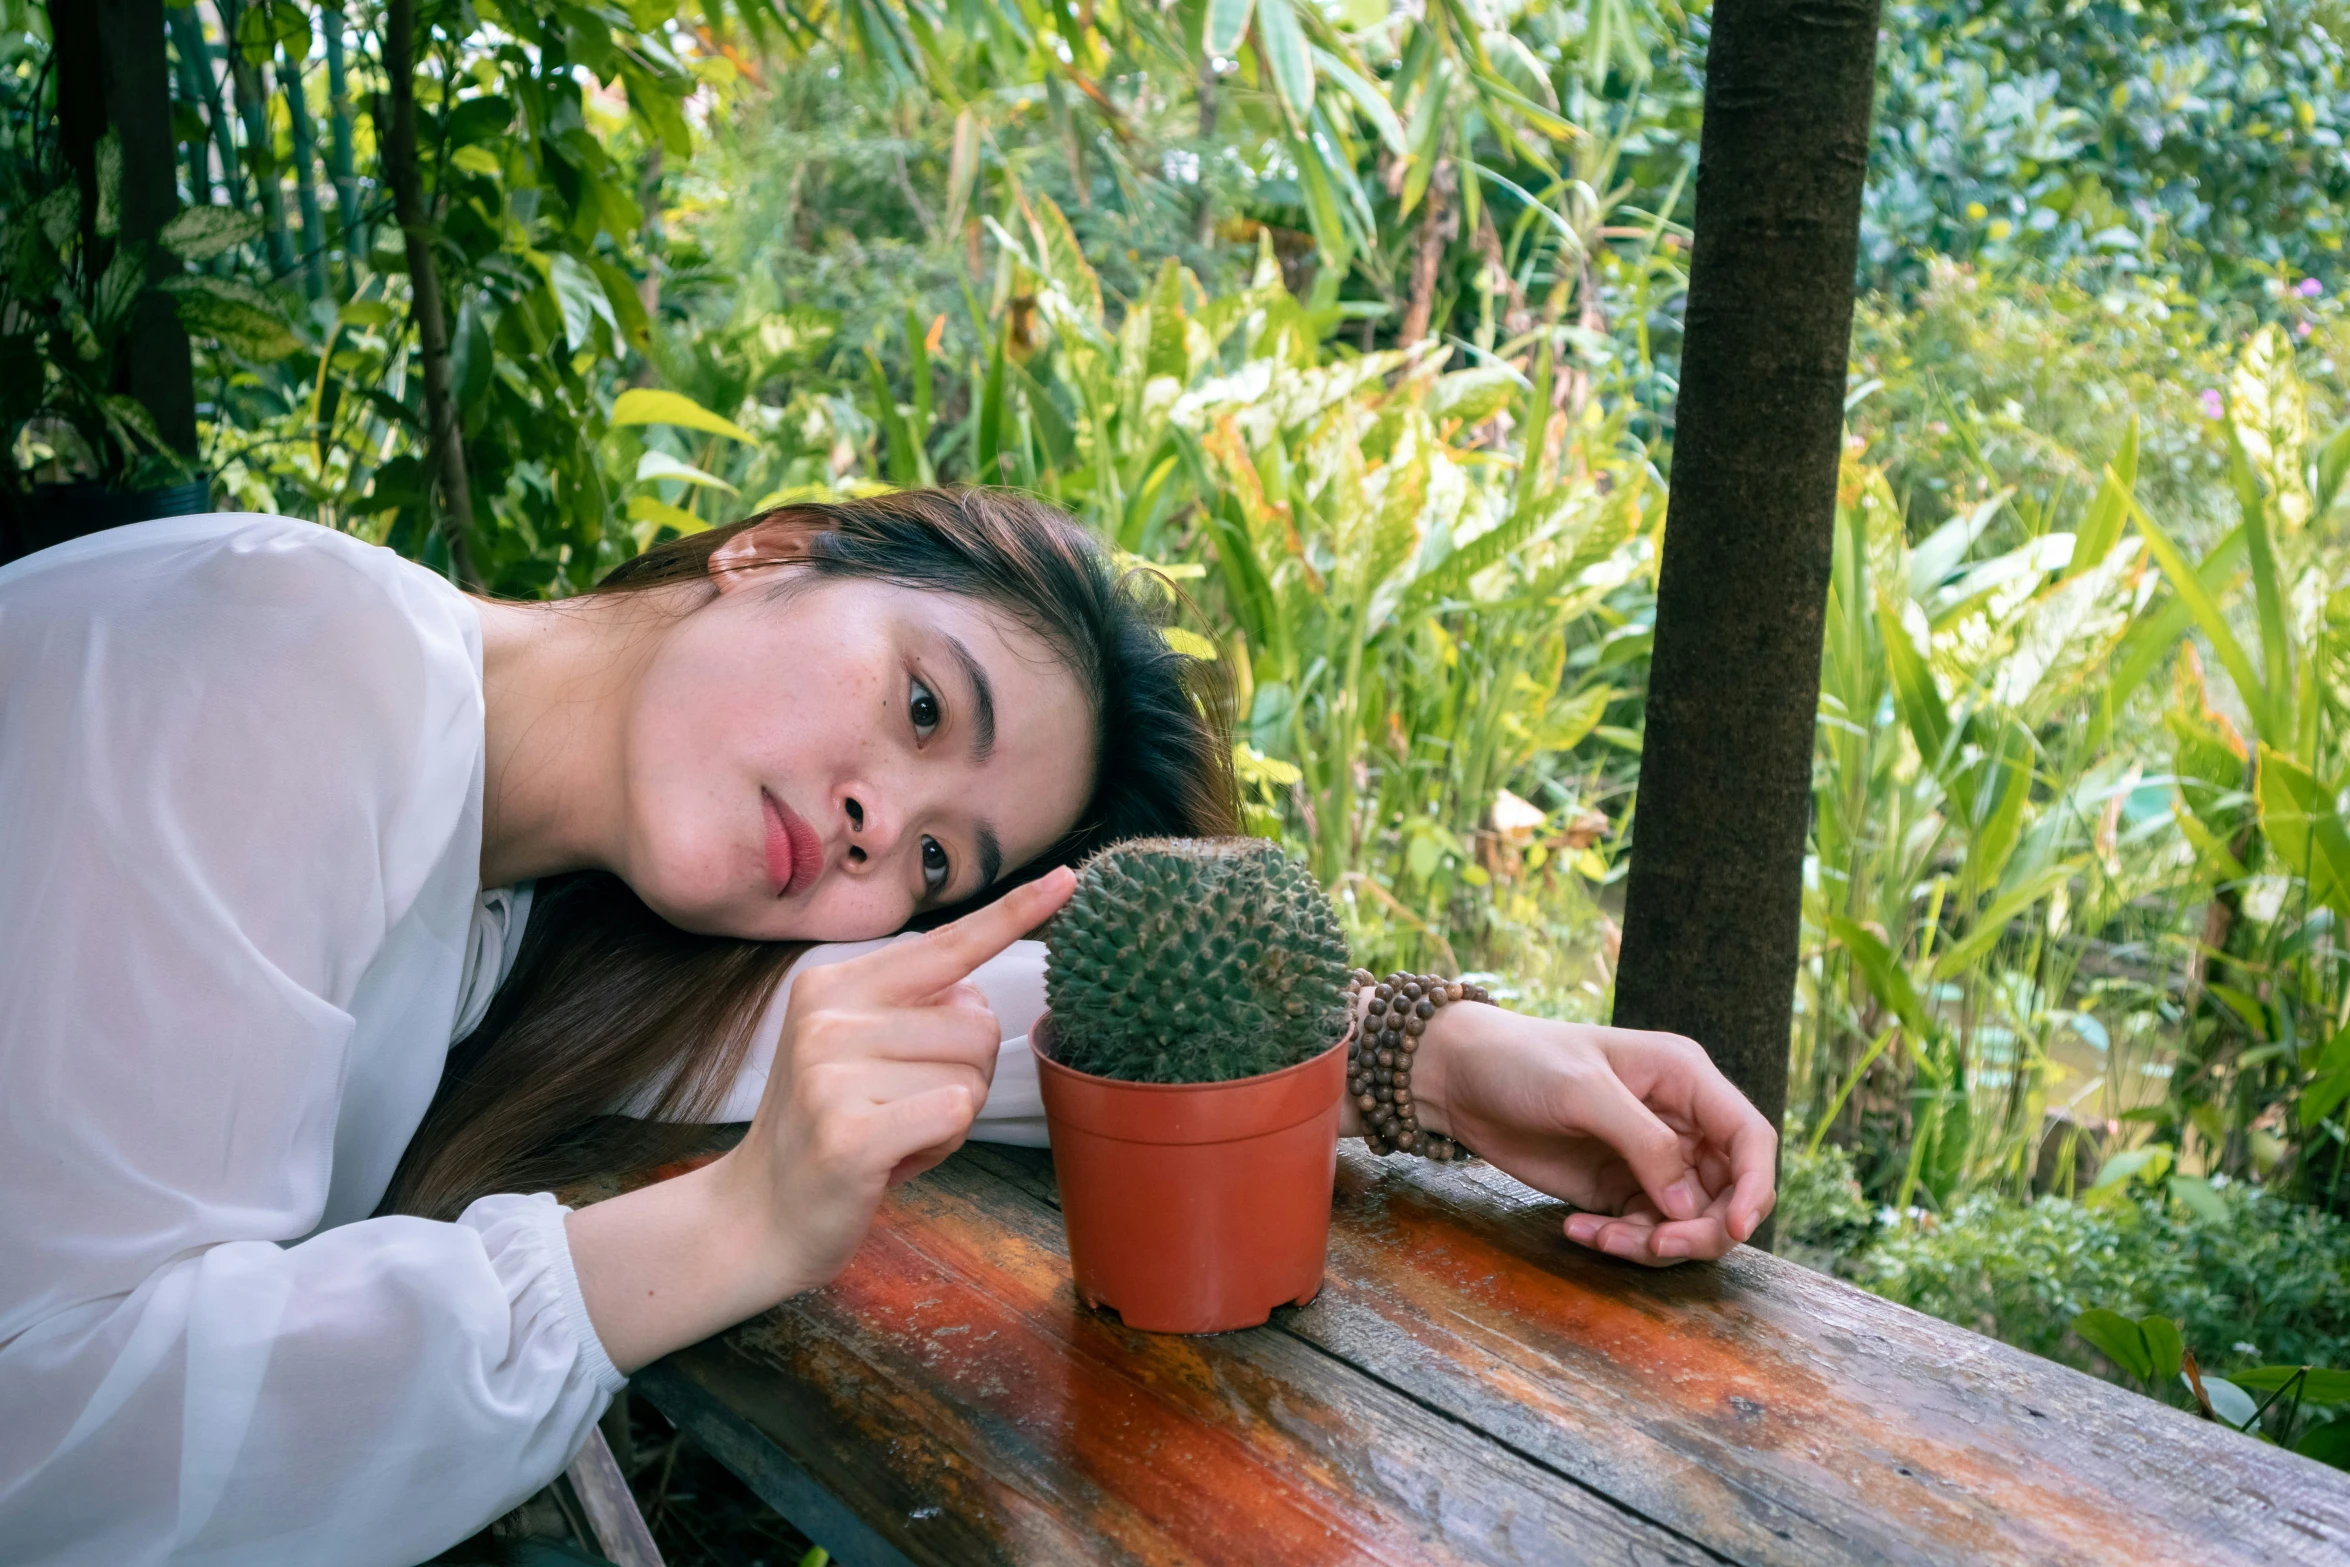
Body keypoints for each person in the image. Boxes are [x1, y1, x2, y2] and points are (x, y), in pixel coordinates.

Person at [0, 491, 1776, 1565]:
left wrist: (1421, 1054)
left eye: (937, 857)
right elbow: (44, 1445)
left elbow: (913, 1023)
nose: (879, 830)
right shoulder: (290, 662)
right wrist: (731, 1225)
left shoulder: (503, 892)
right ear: (773, 554)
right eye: (922, 700)